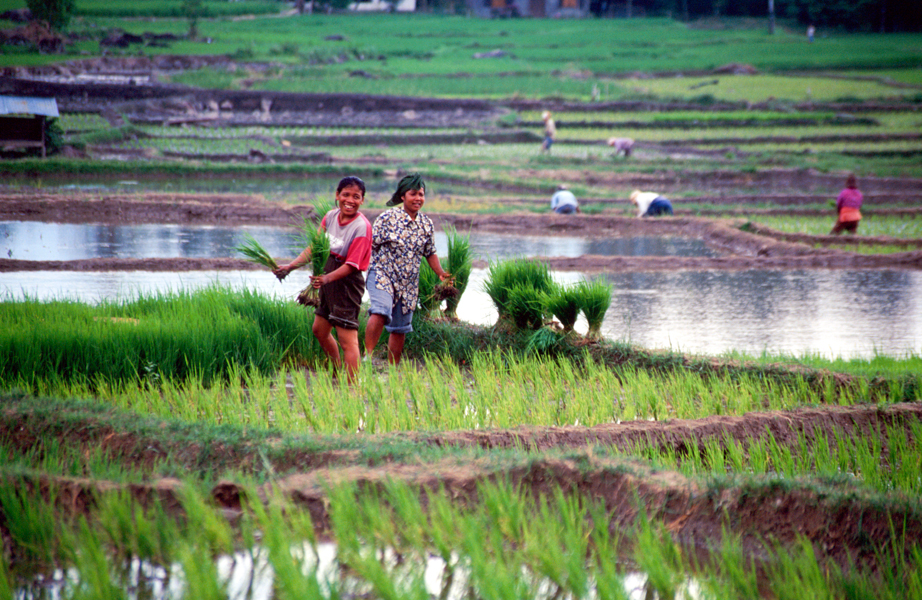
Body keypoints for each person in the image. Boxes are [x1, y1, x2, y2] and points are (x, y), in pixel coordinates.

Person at [273, 176, 372, 381]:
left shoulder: (362, 227)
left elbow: (351, 265)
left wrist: (326, 280)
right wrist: (291, 266)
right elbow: (315, 248)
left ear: (362, 200)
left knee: (348, 340)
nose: (350, 200)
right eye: (345, 195)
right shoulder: (330, 217)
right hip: (326, 277)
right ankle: (336, 374)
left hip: (346, 283)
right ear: (337, 195)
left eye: (356, 196)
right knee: (319, 330)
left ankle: (353, 386)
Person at [364, 173, 450, 365]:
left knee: (400, 328)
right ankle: (366, 358)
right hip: (382, 274)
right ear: (403, 196)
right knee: (380, 310)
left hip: (408, 283)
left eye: (421, 194)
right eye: (413, 194)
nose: (418, 198)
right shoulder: (387, 218)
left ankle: (393, 371)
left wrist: (441, 273)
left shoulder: (426, 224)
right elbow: (369, 245)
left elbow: (430, 252)